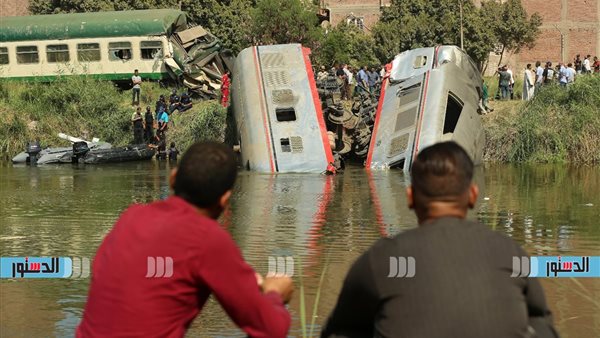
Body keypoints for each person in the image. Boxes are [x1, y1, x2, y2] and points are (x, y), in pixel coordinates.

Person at [321, 141, 559, 338]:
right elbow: (542, 320)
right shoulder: (509, 252)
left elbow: (337, 329)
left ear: (411, 198)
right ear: (473, 196)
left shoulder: (383, 260)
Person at [77, 142, 293, 337]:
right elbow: (271, 329)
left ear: (172, 178)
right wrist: (275, 293)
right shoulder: (207, 238)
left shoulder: (131, 216)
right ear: (225, 200)